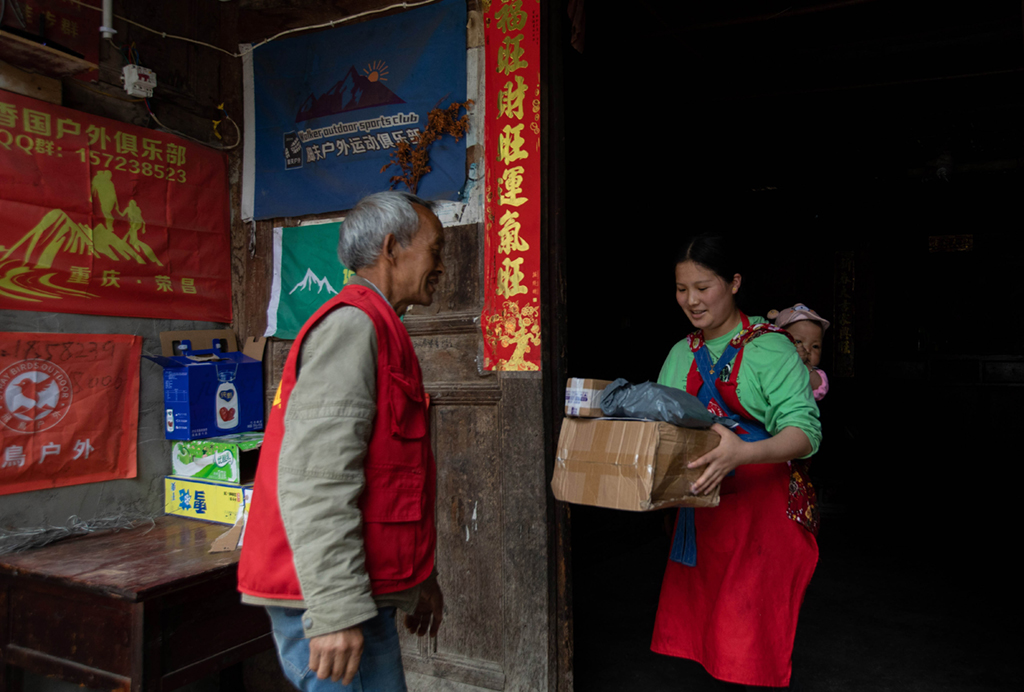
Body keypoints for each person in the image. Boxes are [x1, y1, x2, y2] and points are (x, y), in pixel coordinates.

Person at [238, 191, 446, 692]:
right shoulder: (354, 325)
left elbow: (384, 477)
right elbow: (317, 478)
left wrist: (419, 583)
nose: (441, 265)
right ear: (392, 248)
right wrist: (333, 610)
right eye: (436, 250)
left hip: (361, 588)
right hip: (327, 596)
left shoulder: (380, 325)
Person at [651, 234, 822, 688]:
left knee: (751, 644)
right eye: (681, 288)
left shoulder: (772, 348)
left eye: (703, 287)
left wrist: (742, 453)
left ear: (735, 283)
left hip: (760, 520)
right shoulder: (678, 354)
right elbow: (659, 428)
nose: (691, 300)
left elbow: (806, 434)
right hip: (703, 520)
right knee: (711, 641)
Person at [771, 303, 830, 401]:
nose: (807, 350)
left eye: (815, 346)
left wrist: (805, 364)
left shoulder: (816, 374)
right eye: (798, 342)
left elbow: (819, 389)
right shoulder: (772, 363)